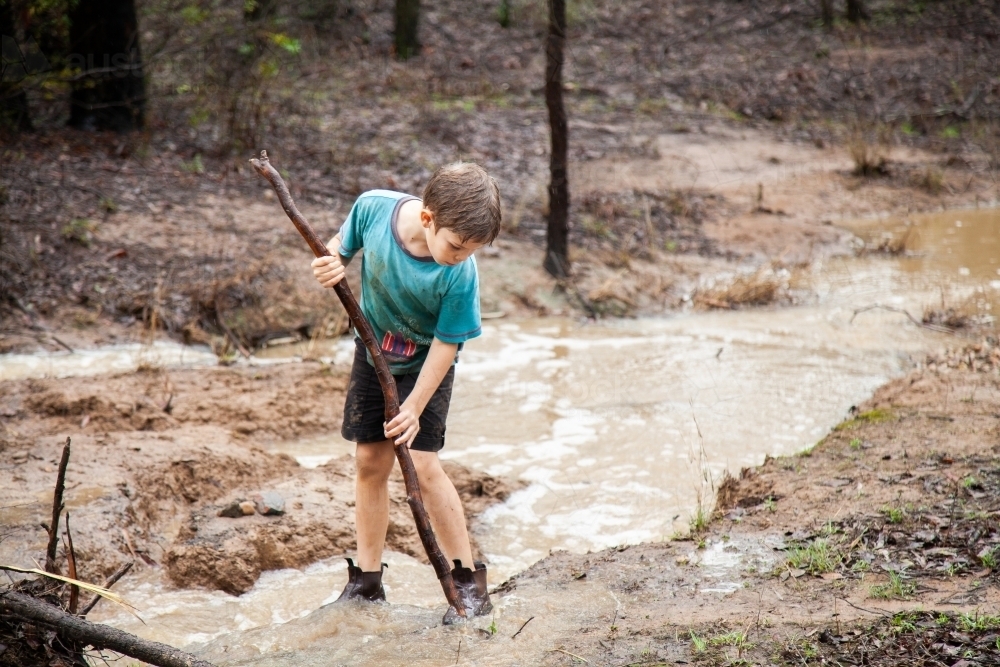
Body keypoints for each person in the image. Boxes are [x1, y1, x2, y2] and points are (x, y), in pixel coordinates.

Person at [310, 162, 501, 624]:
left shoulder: (461, 273)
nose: (459, 256)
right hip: (374, 353)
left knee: (423, 462)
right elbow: (340, 247)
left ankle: (468, 582)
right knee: (369, 461)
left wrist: (415, 406)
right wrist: (331, 259)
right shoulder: (373, 209)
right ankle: (366, 582)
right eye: (455, 246)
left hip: (427, 369)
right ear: (429, 218)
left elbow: (447, 342)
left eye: (471, 250)